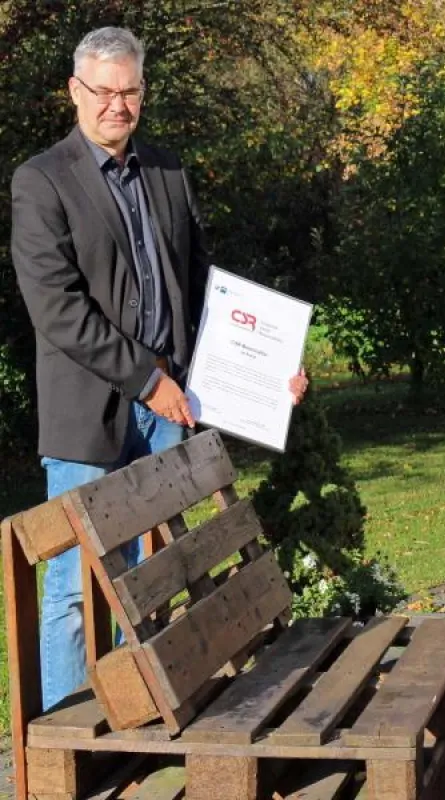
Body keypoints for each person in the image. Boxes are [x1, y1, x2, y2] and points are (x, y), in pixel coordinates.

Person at [10, 26, 308, 710]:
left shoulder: (167, 170)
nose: (117, 104)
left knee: (149, 582)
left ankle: (135, 721)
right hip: (89, 418)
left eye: (130, 90)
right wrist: (148, 380)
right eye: (103, 91)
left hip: (168, 411)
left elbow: (203, 288)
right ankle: (72, 741)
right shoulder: (41, 179)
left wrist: (270, 375)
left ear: (143, 92)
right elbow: (56, 307)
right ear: (75, 92)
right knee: (75, 592)